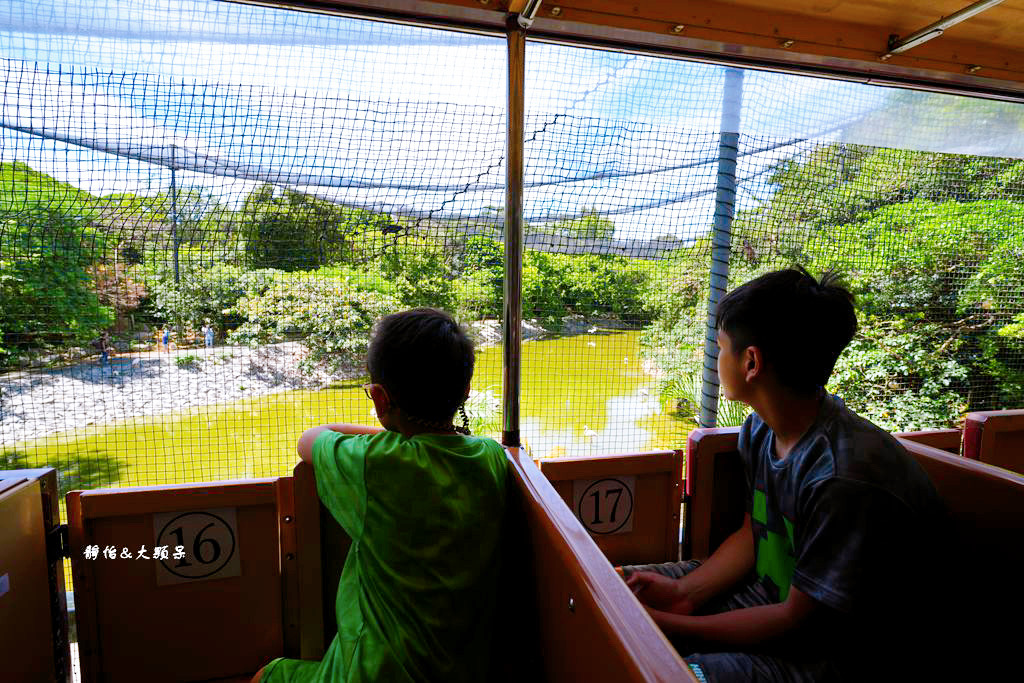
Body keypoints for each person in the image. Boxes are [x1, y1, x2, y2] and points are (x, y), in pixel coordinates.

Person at [622, 267, 944, 682]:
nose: (715, 357)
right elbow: (754, 534)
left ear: (750, 362)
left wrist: (669, 629)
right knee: (620, 587)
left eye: (719, 346)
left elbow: (801, 625)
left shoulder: (842, 478)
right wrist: (683, 595)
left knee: (663, 670)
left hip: (842, 655)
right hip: (770, 601)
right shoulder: (761, 429)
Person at [253, 308, 508, 683]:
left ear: (379, 399)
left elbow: (309, 438)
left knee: (267, 674)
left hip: (371, 673)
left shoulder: (376, 464)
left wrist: (392, 436)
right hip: (465, 671)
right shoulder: (489, 457)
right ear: (465, 391)